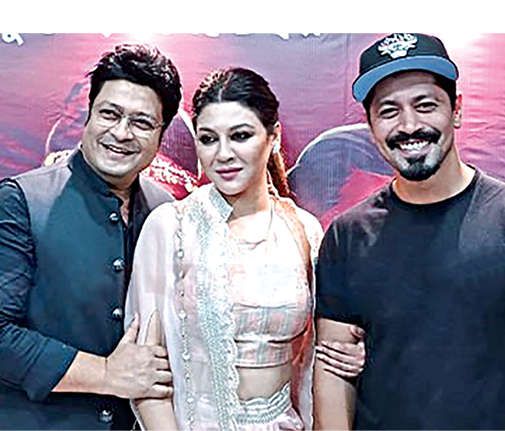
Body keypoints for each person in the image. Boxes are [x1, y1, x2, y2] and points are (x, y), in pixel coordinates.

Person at [125, 67, 363, 430]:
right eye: (208, 139)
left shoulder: (304, 231)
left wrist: (353, 354)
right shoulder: (171, 227)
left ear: (273, 137)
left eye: (240, 136)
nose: (223, 154)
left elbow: (320, 356)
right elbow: (145, 373)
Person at [314, 32, 505, 429]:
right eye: (389, 111)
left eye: (425, 105)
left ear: (456, 110)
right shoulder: (347, 236)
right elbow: (333, 371)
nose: (410, 125)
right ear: (370, 125)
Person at [0, 44, 181, 429]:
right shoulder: (21, 201)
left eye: (142, 122)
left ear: (162, 134)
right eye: (109, 114)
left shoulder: (166, 212)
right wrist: (106, 374)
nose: (121, 133)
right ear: (89, 114)